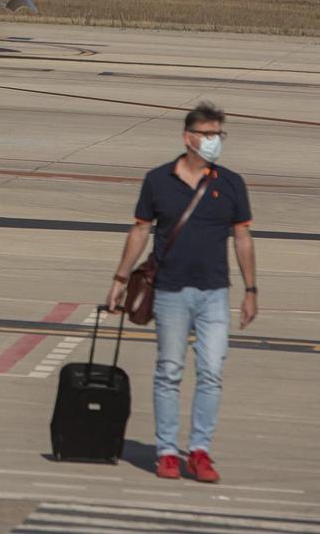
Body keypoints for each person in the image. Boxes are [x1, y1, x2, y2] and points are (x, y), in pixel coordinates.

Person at [105, 102, 258, 484]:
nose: (214, 141)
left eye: (218, 135)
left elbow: (242, 237)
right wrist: (120, 279)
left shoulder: (231, 183)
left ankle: (201, 450)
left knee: (211, 371)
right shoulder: (157, 180)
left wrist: (251, 288)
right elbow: (140, 230)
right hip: (171, 291)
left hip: (214, 293)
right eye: (208, 134)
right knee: (169, 371)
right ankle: (168, 452)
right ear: (187, 137)